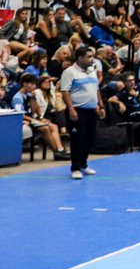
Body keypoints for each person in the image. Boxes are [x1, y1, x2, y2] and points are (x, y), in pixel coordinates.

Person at [60, 46, 105, 179]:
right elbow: (65, 91)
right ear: (80, 58)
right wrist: (71, 109)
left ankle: (84, 164)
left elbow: (96, 89)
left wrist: (101, 105)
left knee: (89, 138)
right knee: (77, 139)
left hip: (92, 110)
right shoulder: (69, 72)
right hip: (78, 110)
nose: (92, 59)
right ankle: (75, 167)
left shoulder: (92, 71)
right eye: (89, 57)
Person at [11, 73, 69, 159]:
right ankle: (56, 152)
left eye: (35, 84)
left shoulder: (29, 95)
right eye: (32, 84)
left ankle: (60, 149)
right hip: (23, 122)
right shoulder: (18, 98)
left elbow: (36, 112)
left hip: (32, 119)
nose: (34, 86)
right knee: (45, 128)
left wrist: (33, 100)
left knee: (53, 126)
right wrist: (35, 121)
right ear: (24, 84)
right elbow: (20, 115)